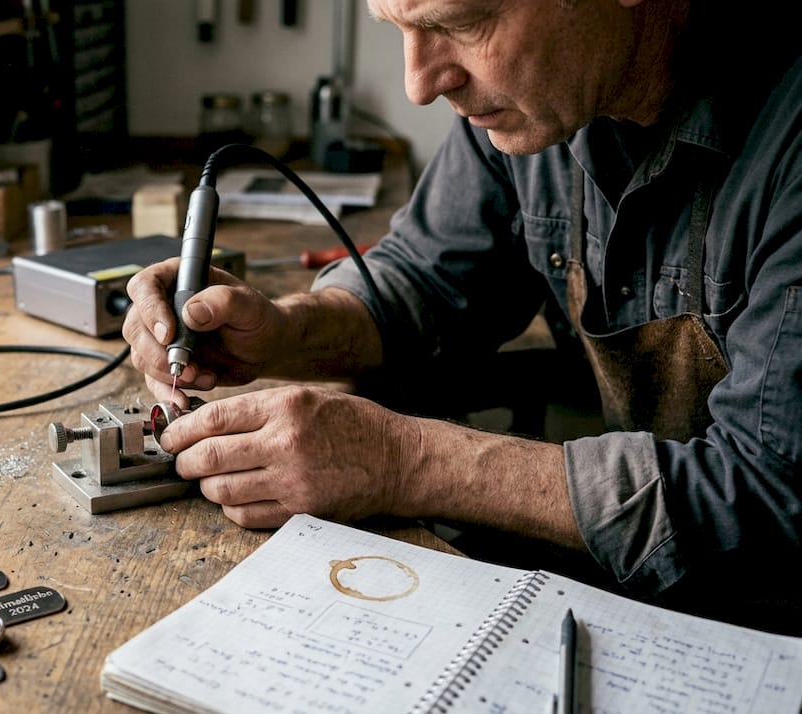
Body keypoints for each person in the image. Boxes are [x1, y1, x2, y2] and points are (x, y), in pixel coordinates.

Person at [121, 0, 802, 635]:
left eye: (464, 24)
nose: (419, 84)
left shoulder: (788, 137)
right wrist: (283, 331)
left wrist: (397, 459)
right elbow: (425, 280)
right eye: (397, 26)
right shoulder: (538, 106)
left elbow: (768, 501)